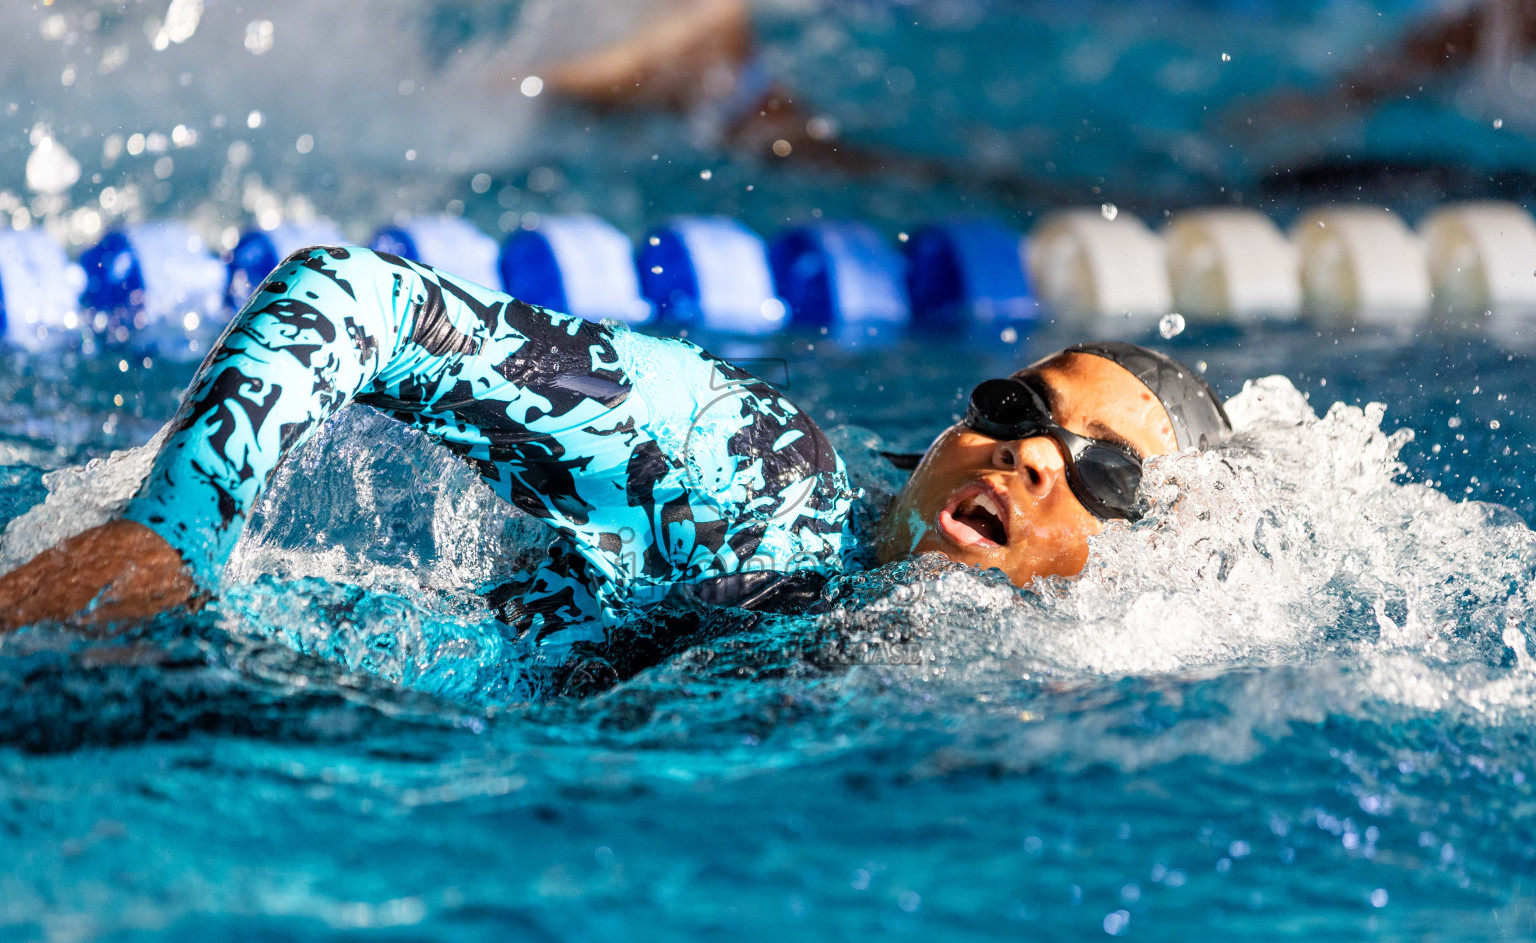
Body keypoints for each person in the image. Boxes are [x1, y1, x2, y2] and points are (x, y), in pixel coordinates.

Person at [0, 246, 1230, 678]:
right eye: (1019, 406)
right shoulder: (750, 471)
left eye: (1104, 474)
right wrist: (170, 533)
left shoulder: (1078, 705)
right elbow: (359, 295)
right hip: (262, 703)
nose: (1027, 456)